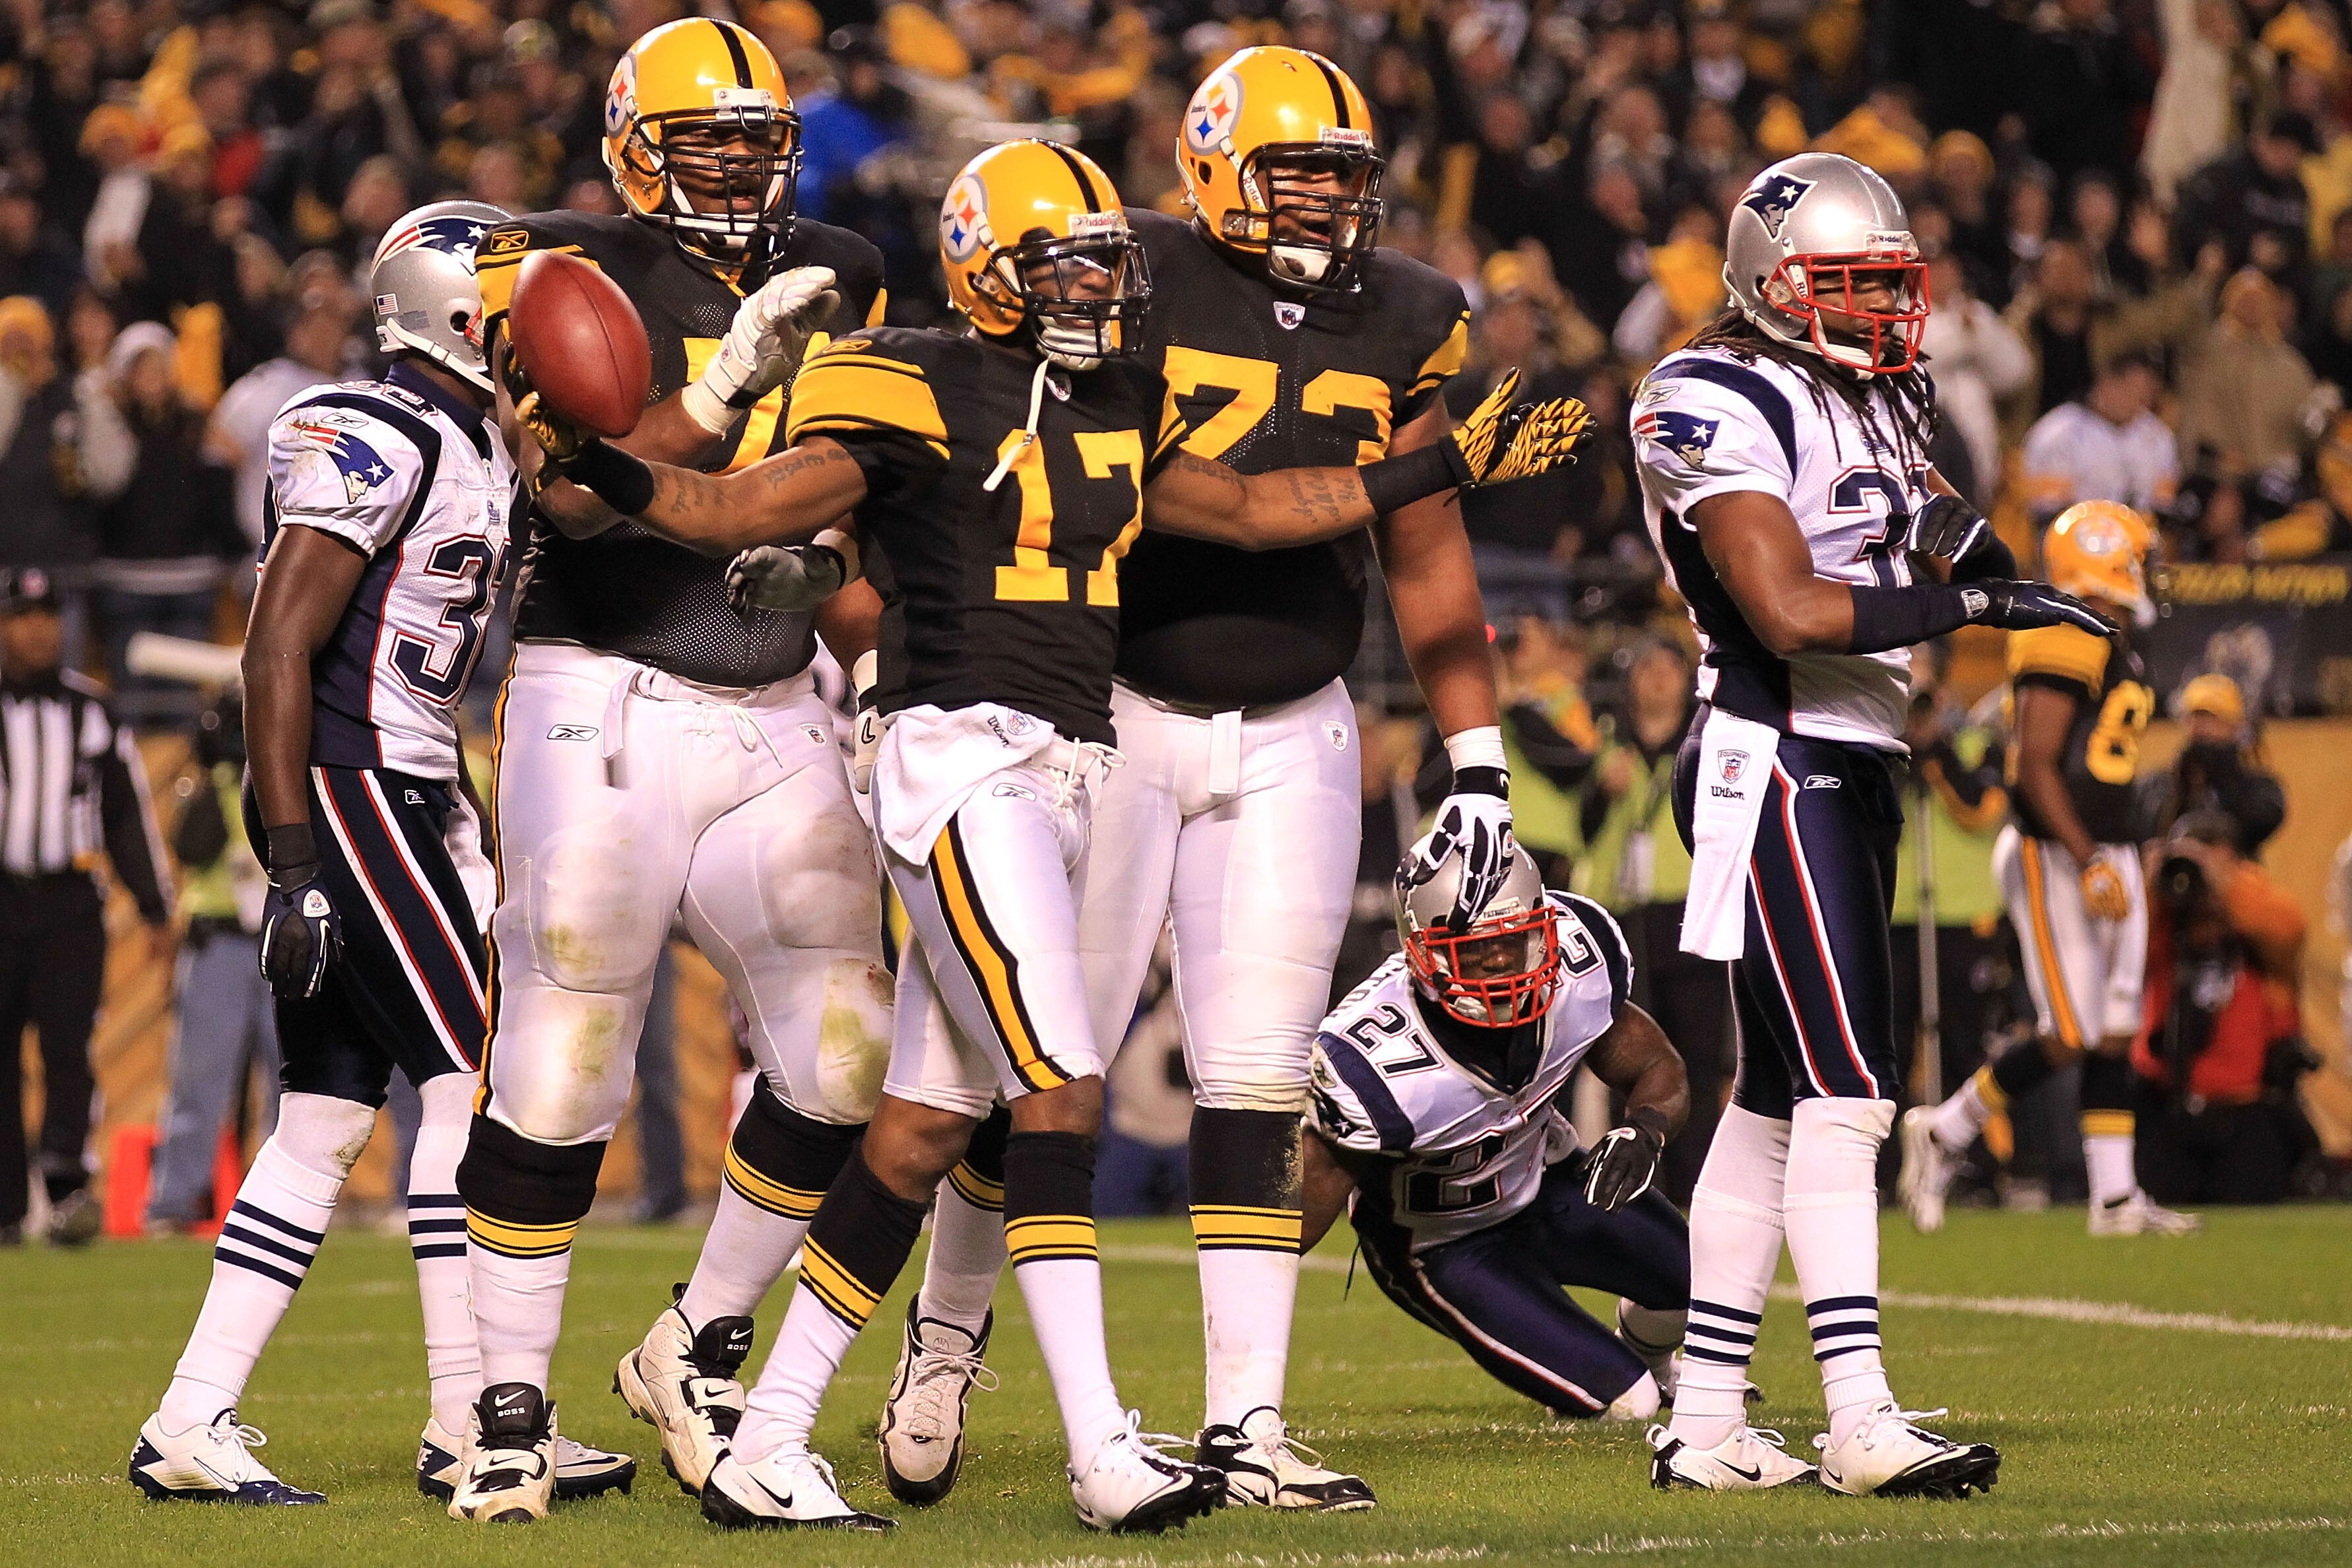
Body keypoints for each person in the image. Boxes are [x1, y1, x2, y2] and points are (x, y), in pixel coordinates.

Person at [528, 137, 1585, 1532]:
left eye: (1106, 261)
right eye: (1070, 263)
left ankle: (768, 1431)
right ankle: (1102, 1448)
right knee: (1062, 1082)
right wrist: (613, 472)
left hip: (1071, 766)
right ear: (990, 269)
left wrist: (1433, 466)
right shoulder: (901, 374)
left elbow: (1268, 509)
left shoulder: (1127, 397)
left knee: (918, 1128)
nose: (1101, 285)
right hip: (958, 760)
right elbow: (741, 500)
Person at [870, 47, 1510, 1514]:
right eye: (1292, 170)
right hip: (1109, 712)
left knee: (1259, 1083)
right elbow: (980, 426)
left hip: (1300, 717)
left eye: (1342, 175)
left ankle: (1250, 1421)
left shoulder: (1407, 311)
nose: (1320, 202)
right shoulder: (1125, 265)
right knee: (1032, 1067)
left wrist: (1480, 764)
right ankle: (947, 1344)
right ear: (1217, 161)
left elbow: (1426, 551)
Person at [451, 18, 894, 1518]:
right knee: (567, 1049)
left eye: (752, 139)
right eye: (701, 138)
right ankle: (502, 1406)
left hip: (779, 695)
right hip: (610, 693)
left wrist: (874, 643)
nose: (731, 164)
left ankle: (701, 1340)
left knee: (844, 1047)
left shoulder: (846, 263)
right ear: (638, 146)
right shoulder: (565, 270)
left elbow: (849, 493)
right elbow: (576, 506)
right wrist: (718, 397)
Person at [129, 201, 631, 1509]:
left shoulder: (477, 437)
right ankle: (473, 1417)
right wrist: (291, 857)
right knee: (468, 1080)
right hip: (356, 785)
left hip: (412, 786)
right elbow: (274, 647)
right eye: (509, 308)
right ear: (457, 312)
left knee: (326, 1117)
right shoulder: (376, 429)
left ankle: (190, 1419)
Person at [1633, 154, 2104, 1498]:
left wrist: (1995, 566)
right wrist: (1971, 611)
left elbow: (1929, 525)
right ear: (1774, 287)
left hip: (1852, 753)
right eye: (1852, 287)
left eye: (1893, 287)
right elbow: (1789, 608)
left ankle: (1708, 1420)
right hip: (1773, 751)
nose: (1885, 315)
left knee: (1778, 1100)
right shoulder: (1707, 392)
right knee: (1847, 1091)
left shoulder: (1882, 394)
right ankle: (1858, 1411)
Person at [1302, 839, 1693, 1422]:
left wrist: (1646, 1130)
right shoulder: (1374, 1065)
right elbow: (1283, 1235)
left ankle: (1655, 1368)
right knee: (1628, 1407)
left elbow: (1659, 1068)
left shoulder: (1577, 970)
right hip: (1443, 1245)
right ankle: (1624, 1382)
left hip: (1547, 1183)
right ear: (1421, 953)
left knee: (1705, 1287)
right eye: (1475, 952)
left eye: (1513, 942)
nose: (1502, 965)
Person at [1901, 501, 2196, 1240]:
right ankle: (1947, 1129)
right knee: (2070, 1028)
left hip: (2107, 847)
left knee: (2116, 1026)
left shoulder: (2111, 635)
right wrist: (2087, 855)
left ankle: (2116, 1197)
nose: (2147, 569)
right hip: (2057, 850)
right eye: (2136, 554)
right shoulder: (2065, 627)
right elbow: (2032, 766)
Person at [0, 564, 172, 1247]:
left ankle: (68, 1184)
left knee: (71, 1047)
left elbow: (126, 816)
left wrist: (155, 908)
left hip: (71, 902)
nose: (39, 630)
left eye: (49, 617)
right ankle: (7, 1206)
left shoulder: (93, 710)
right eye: (24, 617)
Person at [1573, 636, 1731, 1206]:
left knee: (1697, 1059)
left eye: (1668, 666)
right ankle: (1635, 1190)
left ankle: (1698, 1191)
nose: (1658, 678)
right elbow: (1582, 834)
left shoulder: (1705, 742)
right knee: (1631, 1061)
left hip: (1693, 914)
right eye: (1646, 667)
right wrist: (1600, 789)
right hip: (1629, 920)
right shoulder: (1610, 747)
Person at [145, 692, 284, 1230]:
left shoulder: (287, 782)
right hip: (220, 943)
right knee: (198, 1083)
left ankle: (279, 1209)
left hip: (279, 943)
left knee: (288, 1087)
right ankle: (175, 1203)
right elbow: (191, 846)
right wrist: (214, 769)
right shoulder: (212, 787)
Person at [2131, 814, 2316, 1205]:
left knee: (2248, 1207)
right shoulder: (2164, 919)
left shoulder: (2258, 921)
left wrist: (2225, 879)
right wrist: (2147, 882)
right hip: (2166, 1108)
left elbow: (2291, 931)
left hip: (2246, 1114)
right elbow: (2122, 959)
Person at [2017, 348, 2178, 524]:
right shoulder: (2058, 432)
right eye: (2128, 390)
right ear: (2106, 382)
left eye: (2142, 395)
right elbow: (2047, 511)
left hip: (2139, 541)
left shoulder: (2158, 437)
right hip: (2075, 540)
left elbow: (2164, 508)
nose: (2136, 401)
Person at [2136, 673, 2285, 857]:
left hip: (2232, 880)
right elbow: (2148, 831)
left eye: (2213, 718)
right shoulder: (2158, 786)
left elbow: (2259, 824)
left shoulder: (2259, 788)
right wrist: (2182, 789)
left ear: (2236, 726)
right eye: (2196, 717)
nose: (2203, 727)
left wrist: (2225, 775)